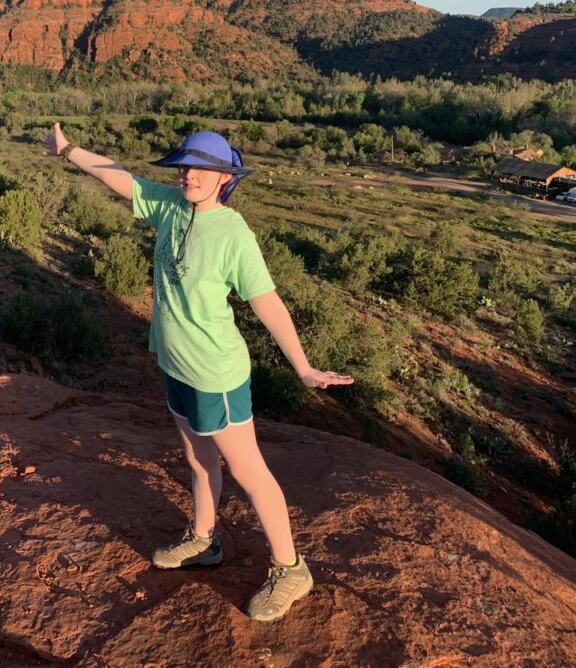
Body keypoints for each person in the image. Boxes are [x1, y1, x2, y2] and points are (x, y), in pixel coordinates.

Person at [42, 124, 354, 622]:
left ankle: (291, 567)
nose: (189, 174)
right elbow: (120, 178)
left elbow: (266, 301)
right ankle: (204, 541)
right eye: (186, 165)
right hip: (176, 364)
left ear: (224, 178)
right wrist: (68, 150)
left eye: (201, 168)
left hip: (216, 374)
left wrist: (304, 367)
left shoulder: (233, 233)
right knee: (197, 457)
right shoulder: (171, 207)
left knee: (249, 470)